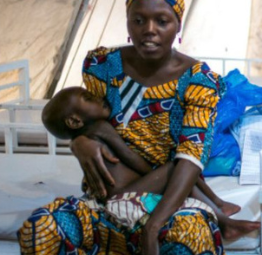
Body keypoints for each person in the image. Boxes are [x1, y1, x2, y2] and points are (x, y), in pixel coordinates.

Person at [19, 0, 245, 255]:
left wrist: (154, 226)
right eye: (138, 20)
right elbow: (85, 121)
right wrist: (78, 143)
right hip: (106, 197)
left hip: (170, 197)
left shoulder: (199, 80)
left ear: (177, 25)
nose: (149, 29)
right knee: (44, 225)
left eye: (161, 20)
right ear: (127, 23)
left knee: (192, 235)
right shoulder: (102, 66)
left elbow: (189, 159)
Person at [40, 86, 246, 231]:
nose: (97, 97)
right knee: (179, 169)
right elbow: (128, 156)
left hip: (118, 192)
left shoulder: (85, 137)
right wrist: (154, 173)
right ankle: (223, 221)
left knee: (181, 169)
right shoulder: (100, 129)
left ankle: (218, 203)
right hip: (122, 196)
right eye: (87, 98)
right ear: (75, 120)